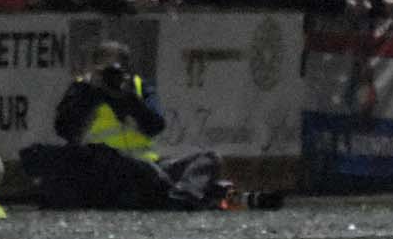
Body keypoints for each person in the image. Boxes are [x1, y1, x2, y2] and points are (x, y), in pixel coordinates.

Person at [19, 41, 271, 211]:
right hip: (103, 168)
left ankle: (184, 196)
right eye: (105, 68)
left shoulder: (139, 87)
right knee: (146, 173)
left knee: (208, 158)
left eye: (116, 68)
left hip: (148, 166)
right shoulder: (81, 90)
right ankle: (203, 196)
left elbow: (155, 126)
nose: (110, 74)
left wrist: (127, 98)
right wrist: (92, 93)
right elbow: (66, 130)